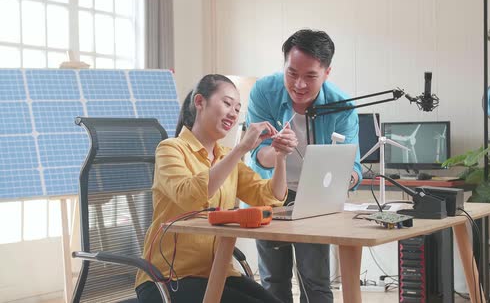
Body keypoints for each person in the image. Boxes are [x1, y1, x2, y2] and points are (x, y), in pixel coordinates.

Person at [135, 74, 298, 303]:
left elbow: (271, 197)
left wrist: (280, 157)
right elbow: (189, 196)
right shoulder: (170, 149)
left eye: (238, 107)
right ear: (200, 102)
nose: (233, 112)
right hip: (169, 278)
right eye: (227, 103)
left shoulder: (224, 157)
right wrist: (240, 149)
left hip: (218, 273)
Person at [246, 29, 362, 303]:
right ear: (284, 64)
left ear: (327, 72)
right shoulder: (264, 91)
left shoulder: (342, 106)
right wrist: (278, 153)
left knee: (315, 281)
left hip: (314, 199)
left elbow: (354, 169)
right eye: (292, 73)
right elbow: (258, 155)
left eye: (310, 76)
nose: (299, 84)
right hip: (270, 194)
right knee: (273, 281)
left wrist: (341, 180)